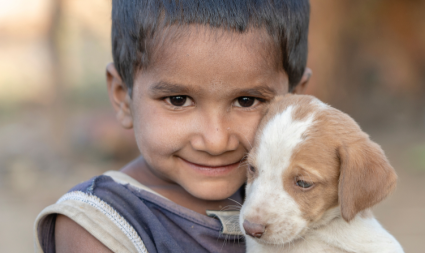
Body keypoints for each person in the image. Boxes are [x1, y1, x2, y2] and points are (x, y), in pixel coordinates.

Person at [34, 0, 312, 252]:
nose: (215, 141)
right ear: (123, 98)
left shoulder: (312, 200)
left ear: (297, 101)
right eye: (178, 100)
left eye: (247, 101)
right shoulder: (99, 224)